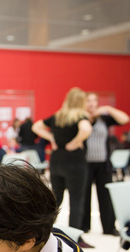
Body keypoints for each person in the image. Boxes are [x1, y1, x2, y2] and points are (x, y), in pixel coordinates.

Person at [32, 87, 92, 229]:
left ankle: (44, 229)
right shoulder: (80, 116)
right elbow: (86, 129)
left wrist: (51, 138)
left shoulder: (58, 116)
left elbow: (36, 126)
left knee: (55, 199)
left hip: (57, 161)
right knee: (76, 199)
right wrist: (76, 142)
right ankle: (75, 236)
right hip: (75, 163)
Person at [81, 92, 128, 235]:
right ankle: (83, 226)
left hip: (103, 163)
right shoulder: (80, 118)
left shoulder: (104, 119)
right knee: (84, 195)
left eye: (94, 100)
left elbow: (124, 119)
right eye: (88, 100)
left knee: (105, 195)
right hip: (85, 163)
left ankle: (109, 227)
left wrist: (108, 108)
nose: (91, 103)